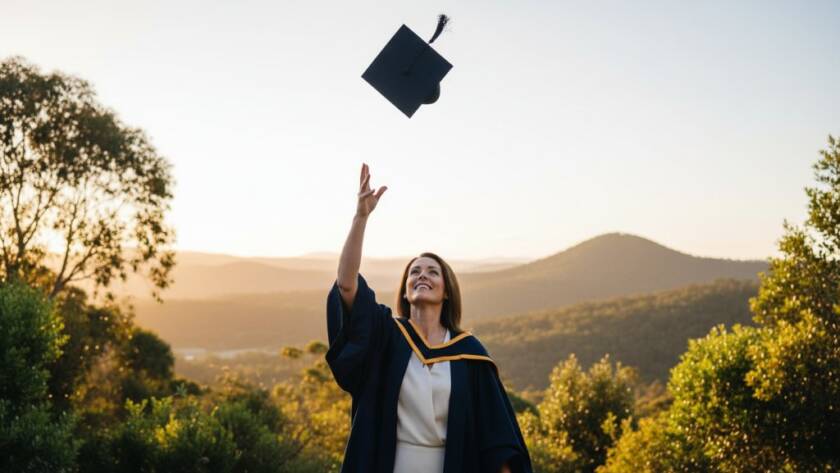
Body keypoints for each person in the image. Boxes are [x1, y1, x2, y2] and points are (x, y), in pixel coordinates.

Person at [326, 163, 532, 473]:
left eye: (432, 272)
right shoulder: (387, 336)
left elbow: (497, 439)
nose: (422, 276)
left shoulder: (470, 354)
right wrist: (361, 217)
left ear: (446, 291)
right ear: (406, 291)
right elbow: (346, 284)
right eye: (415, 272)